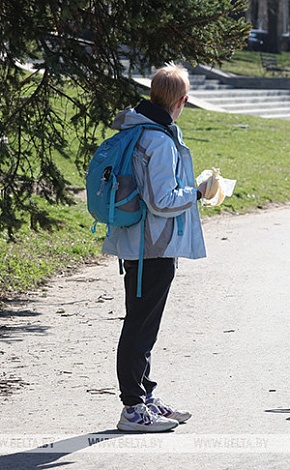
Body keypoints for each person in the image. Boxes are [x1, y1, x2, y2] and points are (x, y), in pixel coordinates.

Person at [104, 64, 209, 432]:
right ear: (182, 101)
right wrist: (198, 191)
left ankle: (145, 396)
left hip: (138, 243)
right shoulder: (159, 140)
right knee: (139, 328)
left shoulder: (142, 129)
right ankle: (132, 408)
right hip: (153, 247)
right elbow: (162, 200)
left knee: (142, 323)